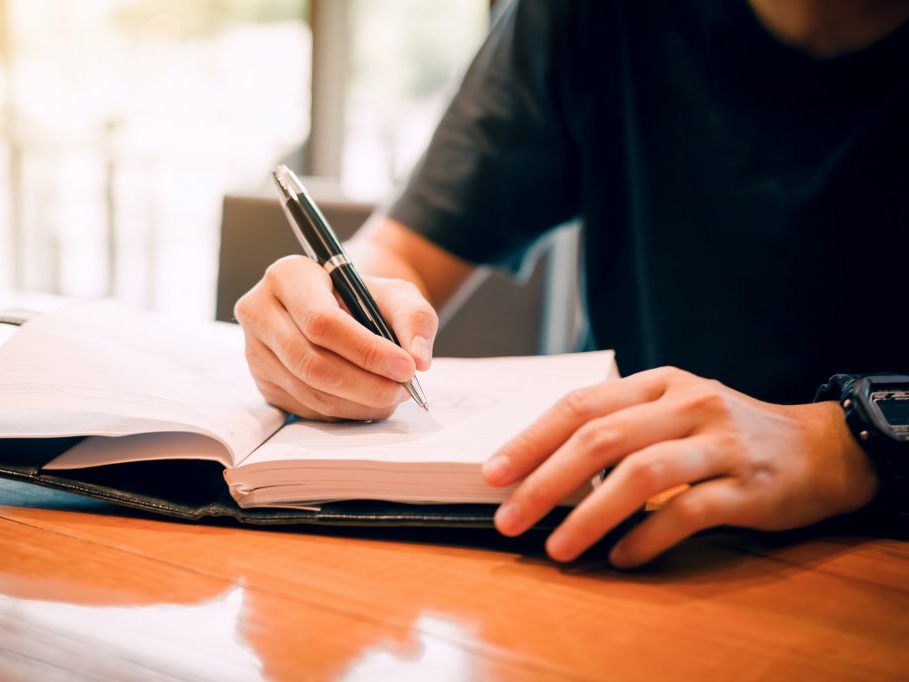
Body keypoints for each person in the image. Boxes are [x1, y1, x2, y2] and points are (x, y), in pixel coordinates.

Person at [234, 0, 909, 568]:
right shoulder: (591, 15)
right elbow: (402, 252)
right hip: (610, 540)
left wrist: (847, 441)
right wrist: (330, 318)